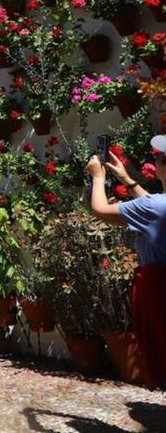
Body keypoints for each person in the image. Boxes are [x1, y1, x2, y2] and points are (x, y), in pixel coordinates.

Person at [88, 136, 166, 389]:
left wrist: (97, 177)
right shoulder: (158, 205)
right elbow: (154, 208)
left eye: (159, 157)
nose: (155, 161)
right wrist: (126, 179)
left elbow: (101, 210)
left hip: (159, 289)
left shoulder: (154, 206)